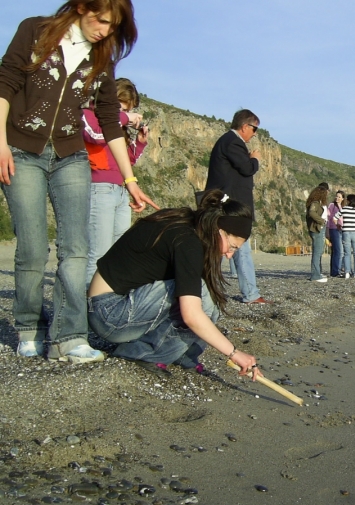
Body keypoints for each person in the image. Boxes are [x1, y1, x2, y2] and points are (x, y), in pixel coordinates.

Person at [0, 0, 157, 363]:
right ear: (83, 7)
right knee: (33, 249)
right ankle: (29, 327)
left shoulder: (102, 59)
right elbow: (6, 83)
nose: (104, 31)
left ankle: (68, 337)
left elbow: (108, 119)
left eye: (112, 27)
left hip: (71, 156)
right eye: (101, 21)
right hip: (22, 149)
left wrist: (130, 180)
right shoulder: (35, 31)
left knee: (76, 249)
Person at [87, 189, 261, 378]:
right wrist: (234, 353)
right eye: (232, 247)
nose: (229, 255)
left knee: (209, 300)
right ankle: (142, 353)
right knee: (199, 297)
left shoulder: (188, 224)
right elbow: (191, 315)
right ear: (219, 230)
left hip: (120, 306)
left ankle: (181, 354)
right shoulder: (187, 241)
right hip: (109, 314)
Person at [83, 77, 148, 285]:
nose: (125, 113)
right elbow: (94, 135)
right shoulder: (88, 115)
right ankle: (87, 307)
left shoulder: (117, 127)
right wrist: (122, 117)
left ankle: (106, 298)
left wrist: (138, 143)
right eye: (122, 107)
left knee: (117, 251)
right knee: (98, 253)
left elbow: (126, 162)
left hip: (120, 190)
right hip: (98, 188)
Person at [204, 109, 269, 304]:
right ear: (244, 126)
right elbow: (247, 169)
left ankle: (244, 292)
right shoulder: (233, 142)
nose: (255, 133)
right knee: (231, 249)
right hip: (231, 207)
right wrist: (255, 159)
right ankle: (249, 294)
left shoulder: (228, 142)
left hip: (229, 205)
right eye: (254, 128)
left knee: (225, 249)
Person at [305, 185, 328, 283]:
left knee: (318, 253)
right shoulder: (315, 203)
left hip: (317, 229)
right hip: (317, 229)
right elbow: (311, 212)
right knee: (317, 253)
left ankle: (317, 273)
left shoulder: (314, 202)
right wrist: (321, 221)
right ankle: (315, 275)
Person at [339, 194, 355, 279]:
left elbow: (335, 218)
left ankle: (347, 272)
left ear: (348, 201)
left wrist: (339, 226)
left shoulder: (344, 209)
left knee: (347, 253)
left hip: (346, 232)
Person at [326, 190, 344, 277]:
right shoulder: (332, 205)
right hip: (334, 229)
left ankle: (334, 270)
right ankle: (335, 271)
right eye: (336, 196)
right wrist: (327, 231)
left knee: (336, 251)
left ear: (343, 198)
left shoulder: (342, 207)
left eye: (339, 197)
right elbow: (328, 217)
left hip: (341, 230)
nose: (337, 198)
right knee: (338, 251)